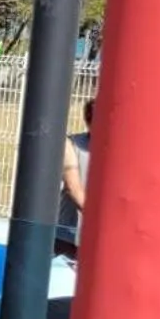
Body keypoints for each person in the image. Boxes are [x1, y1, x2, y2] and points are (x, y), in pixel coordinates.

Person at [58, 96, 94, 256]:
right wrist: (101, 219)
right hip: (69, 236)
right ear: (88, 121)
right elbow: (73, 188)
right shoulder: (71, 145)